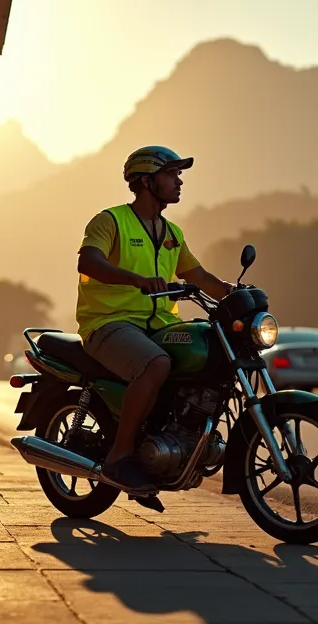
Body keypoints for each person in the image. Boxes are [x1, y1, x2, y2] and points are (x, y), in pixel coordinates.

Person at [75, 146, 235, 495]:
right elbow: (88, 262)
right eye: (171, 175)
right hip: (109, 323)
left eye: (179, 175)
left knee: (209, 355)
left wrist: (233, 292)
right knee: (156, 364)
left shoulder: (172, 232)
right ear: (147, 181)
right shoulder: (110, 220)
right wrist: (135, 279)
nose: (179, 182)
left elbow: (199, 274)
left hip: (160, 325)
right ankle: (119, 456)